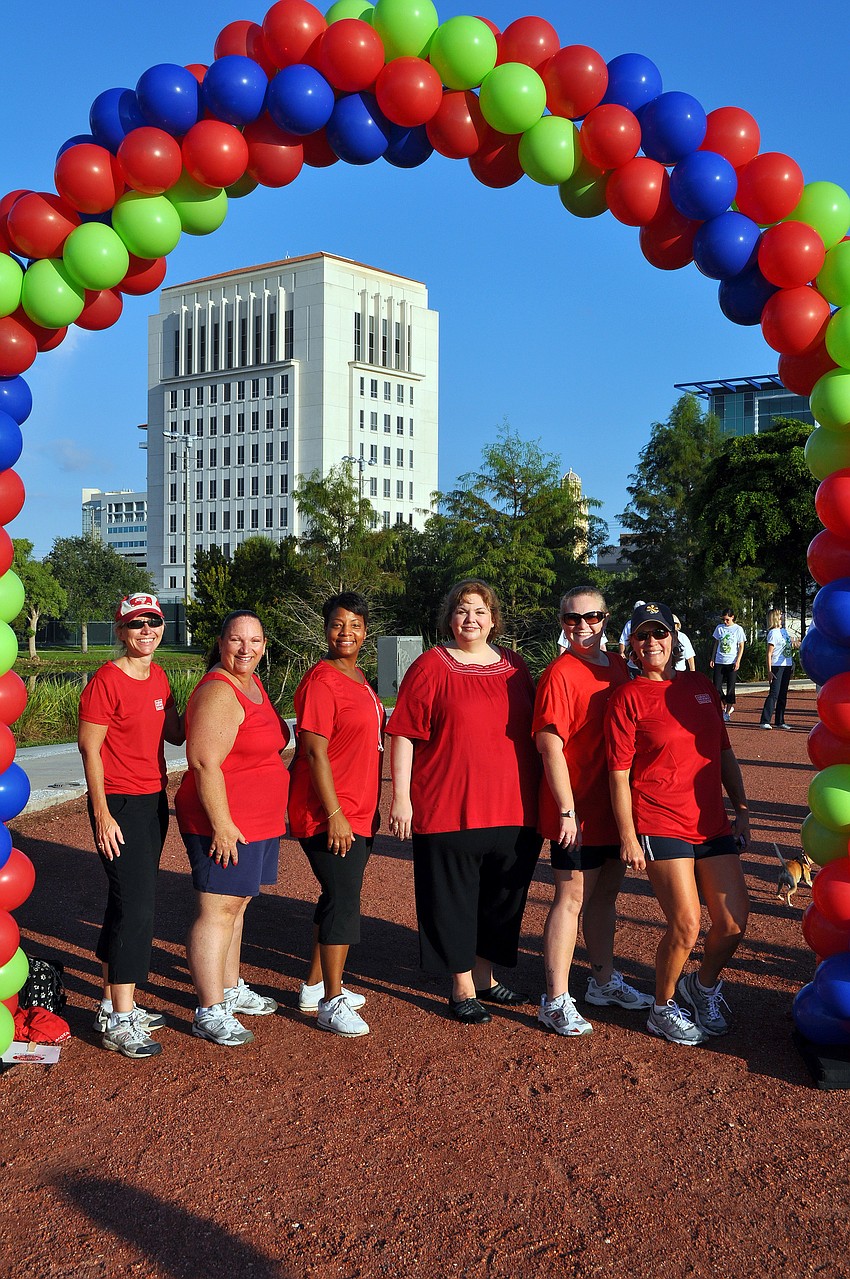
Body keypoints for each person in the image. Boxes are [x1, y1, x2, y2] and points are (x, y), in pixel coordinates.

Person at [387, 579, 542, 1025]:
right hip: (449, 806)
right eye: (461, 611)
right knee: (453, 899)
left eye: (479, 611)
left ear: (493, 620)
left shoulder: (515, 666)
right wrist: (401, 798)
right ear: (449, 619)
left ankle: (486, 977)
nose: (470, 620)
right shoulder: (431, 666)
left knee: (501, 899)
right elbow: (403, 733)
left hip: (514, 808)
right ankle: (461, 986)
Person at [605, 602, 750, 1047]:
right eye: (642, 635)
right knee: (686, 924)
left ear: (674, 638)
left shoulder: (701, 686)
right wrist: (628, 835)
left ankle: (701, 987)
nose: (652, 643)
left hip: (711, 822)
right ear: (631, 643)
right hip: (659, 819)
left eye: (660, 634)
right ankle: (662, 1007)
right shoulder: (627, 697)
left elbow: (722, 752)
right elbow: (618, 774)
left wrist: (741, 807)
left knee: (733, 923)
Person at [533, 587, 653, 1037]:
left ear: (606, 618)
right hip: (577, 808)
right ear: (562, 622)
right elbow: (550, 745)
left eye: (592, 617)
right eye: (572, 619)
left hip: (614, 807)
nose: (583, 626)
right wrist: (566, 810)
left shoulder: (620, 667)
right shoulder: (561, 673)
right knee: (571, 898)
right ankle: (555, 998)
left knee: (605, 897)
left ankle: (602, 981)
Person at [176, 610, 289, 1047]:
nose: (246, 649)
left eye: (255, 641)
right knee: (217, 911)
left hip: (256, 821)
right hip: (223, 822)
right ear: (221, 642)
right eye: (237, 640)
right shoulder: (220, 690)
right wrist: (222, 825)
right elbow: (204, 762)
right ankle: (209, 1008)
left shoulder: (252, 682)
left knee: (237, 907)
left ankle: (229, 988)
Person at [78, 593, 184, 1060]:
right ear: (121, 631)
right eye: (137, 624)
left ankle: (108, 1002)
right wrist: (101, 813)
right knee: (137, 908)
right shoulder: (106, 679)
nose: (147, 631)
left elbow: (178, 732)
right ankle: (122, 1018)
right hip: (118, 803)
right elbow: (89, 749)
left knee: (125, 902)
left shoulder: (159, 676)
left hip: (152, 800)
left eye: (154, 622)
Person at [288, 592, 385, 1038]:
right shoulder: (322, 681)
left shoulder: (359, 676)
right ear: (325, 629)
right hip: (328, 812)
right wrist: (335, 813)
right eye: (337, 624)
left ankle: (313, 987)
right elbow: (313, 750)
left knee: (335, 897)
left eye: (355, 625)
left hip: (357, 809)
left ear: (366, 630)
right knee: (344, 902)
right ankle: (332, 999)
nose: (346, 632)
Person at [760, 609, 796, 730]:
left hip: (787, 665)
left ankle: (780, 721)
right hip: (777, 666)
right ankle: (765, 720)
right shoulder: (773, 633)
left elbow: (788, 649)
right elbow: (769, 653)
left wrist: (792, 664)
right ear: (775, 617)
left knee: (783, 694)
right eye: (780, 615)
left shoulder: (784, 631)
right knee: (774, 694)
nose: (782, 617)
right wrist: (769, 671)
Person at [709, 608, 746, 721]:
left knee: (731, 687)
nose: (725, 622)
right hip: (720, 660)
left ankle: (727, 711)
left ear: (732, 617)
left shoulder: (738, 629)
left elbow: (741, 646)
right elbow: (716, 643)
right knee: (716, 687)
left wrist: (738, 660)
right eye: (724, 620)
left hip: (732, 661)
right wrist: (712, 658)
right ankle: (725, 703)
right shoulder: (719, 628)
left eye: (727, 620)